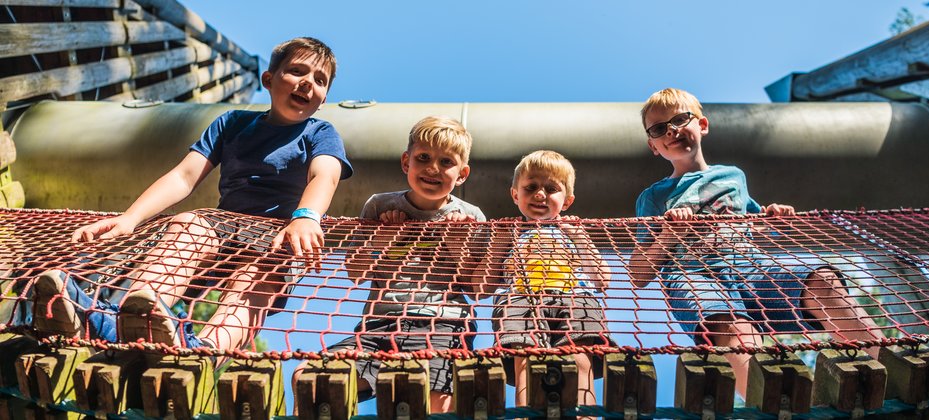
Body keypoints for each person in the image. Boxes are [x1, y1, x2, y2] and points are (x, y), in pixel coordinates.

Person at [30, 37, 353, 356]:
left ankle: (204, 350)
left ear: (323, 99)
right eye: (297, 71)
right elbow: (184, 176)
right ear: (268, 79)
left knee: (254, 280)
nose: (308, 83)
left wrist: (306, 218)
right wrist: (130, 218)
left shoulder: (319, 132)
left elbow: (325, 174)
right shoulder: (233, 123)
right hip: (225, 228)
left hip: (277, 238)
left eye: (320, 80)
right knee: (190, 222)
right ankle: (134, 313)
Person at [628, 87, 883, 395]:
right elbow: (639, 273)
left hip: (750, 268)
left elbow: (752, 225)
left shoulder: (732, 177)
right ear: (653, 145)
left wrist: (772, 219)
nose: (672, 130)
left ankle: (882, 368)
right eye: (659, 128)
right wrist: (671, 233)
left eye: (680, 119)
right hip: (695, 276)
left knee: (825, 281)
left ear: (703, 125)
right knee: (735, 329)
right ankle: (769, 403)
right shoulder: (654, 197)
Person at [293, 116, 484, 414]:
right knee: (309, 377)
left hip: (443, 325)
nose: (433, 168)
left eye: (446, 162)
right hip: (378, 327)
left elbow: (479, 288)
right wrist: (382, 239)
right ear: (406, 162)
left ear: (462, 174)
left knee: (433, 400)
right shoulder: (380, 206)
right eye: (424, 158)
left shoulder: (470, 216)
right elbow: (354, 271)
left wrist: (457, 241)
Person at [488, 150, 611, 413]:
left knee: (579, 358)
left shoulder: (573, 233)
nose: (540, 194)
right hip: (520, 300)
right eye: (530, 187)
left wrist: (580, 238)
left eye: (551, 188)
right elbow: (483, 285)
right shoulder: (510, 233)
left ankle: (584, 414)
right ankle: (524, 413)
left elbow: (602, 280)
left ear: (567, 200)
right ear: (515, 194)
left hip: (576, 298)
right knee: (526, 360)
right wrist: (500, 242)